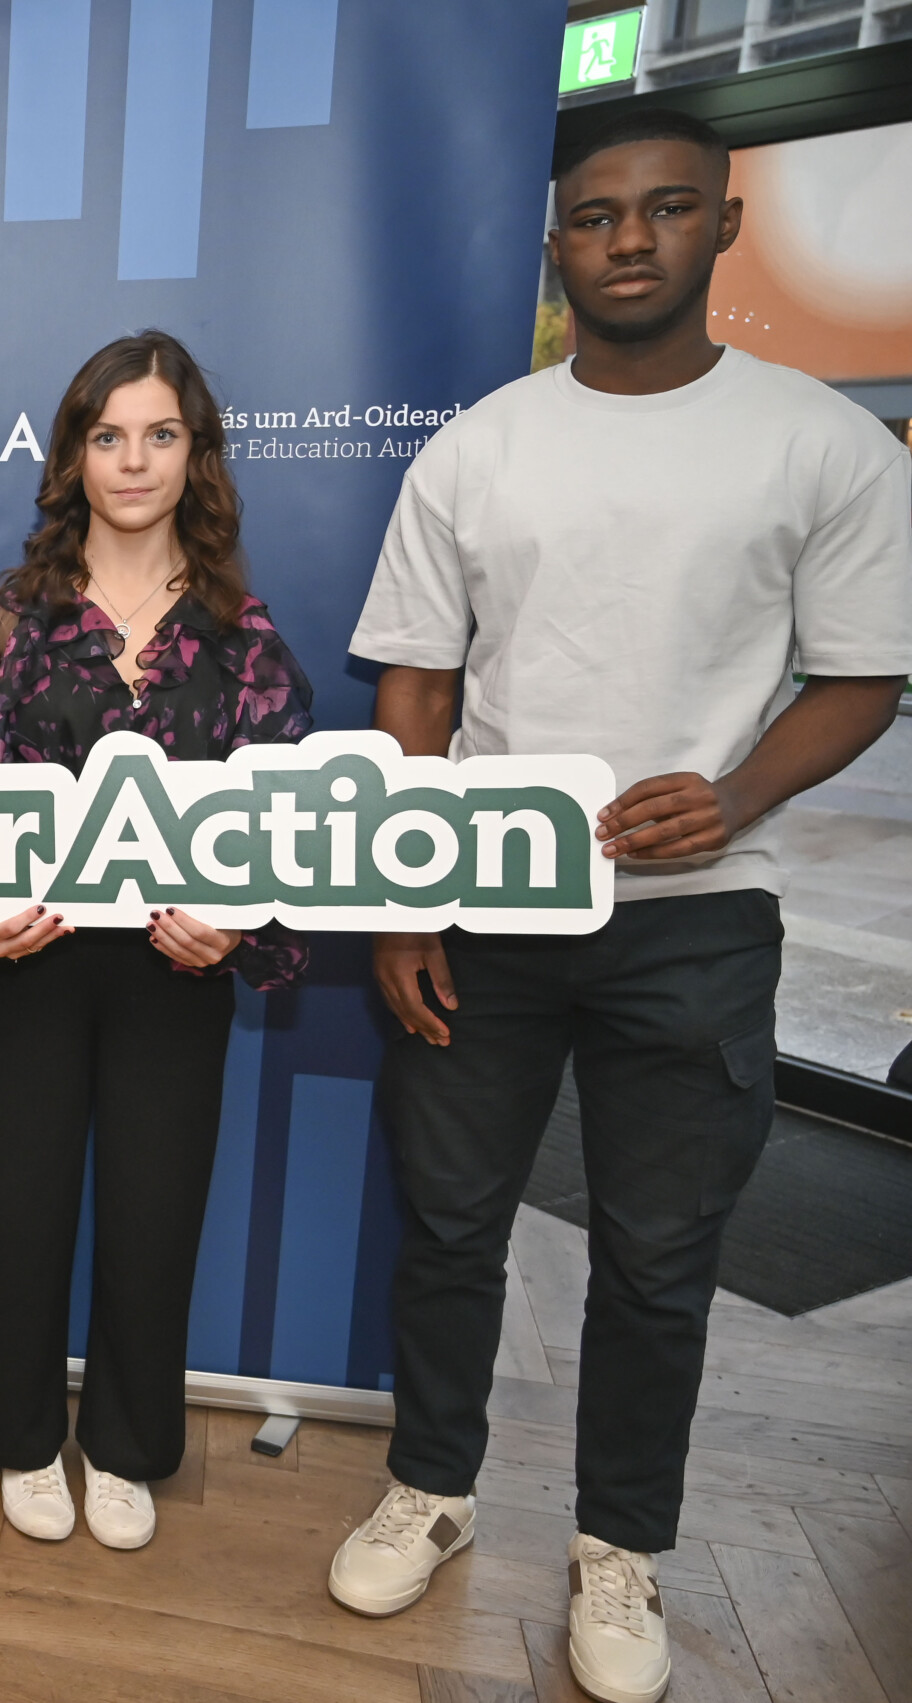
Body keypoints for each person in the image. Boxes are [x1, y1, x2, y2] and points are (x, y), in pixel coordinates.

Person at [330, 109, 911, 1703]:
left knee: (661, 1256)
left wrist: (736, 792)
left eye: (665, 210)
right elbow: (416, 681)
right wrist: (408, 885)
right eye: (597, 218)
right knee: (449, 1229)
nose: (631, 240)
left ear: (723, 225)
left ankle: (621, 1548)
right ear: (559, 246)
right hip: (494, 907)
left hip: (699, 914)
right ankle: (434, 1485)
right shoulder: (483, 447)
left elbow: (863, 675)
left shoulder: (822, 443)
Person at [0, 331, 313, 1553]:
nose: (133, 458)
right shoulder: (18, 614)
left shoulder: (244, 636)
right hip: (35, 964)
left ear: (195, 453)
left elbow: (286, 838)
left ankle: (125, 1444)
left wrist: (240, 930)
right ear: (74, 454)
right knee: (19, 1204)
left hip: (174, 974)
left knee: (155, 1214)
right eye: (108, 434)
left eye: (160, 433)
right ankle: (15, 1433)